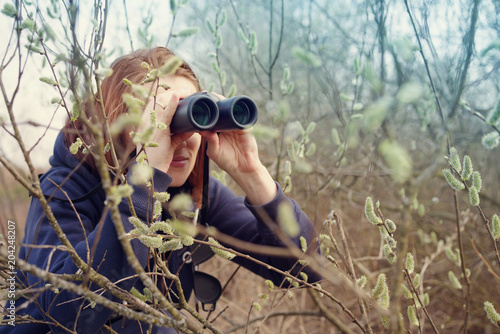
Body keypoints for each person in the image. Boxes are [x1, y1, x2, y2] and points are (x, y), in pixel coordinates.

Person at [3, 47, 321, 333]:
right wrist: (143, 186)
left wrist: (253, 175)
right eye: (163, 118)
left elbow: (304, 270)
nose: (182, 136)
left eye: (193, 116)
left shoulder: (192, 192)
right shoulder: (66, 188)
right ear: (117, 125)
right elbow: (70, 316)